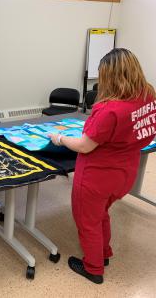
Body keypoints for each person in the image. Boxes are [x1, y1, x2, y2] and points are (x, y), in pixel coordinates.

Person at [49, 48, 156, 284]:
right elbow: (146, 134)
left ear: (110, 76)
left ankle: (93, 268)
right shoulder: (149, 96)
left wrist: (60, 139)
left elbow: (85, 146)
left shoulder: (109, 109)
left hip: (96, 177)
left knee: (87, 221)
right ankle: (104, 253)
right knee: (100, 215)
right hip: (125, 173)